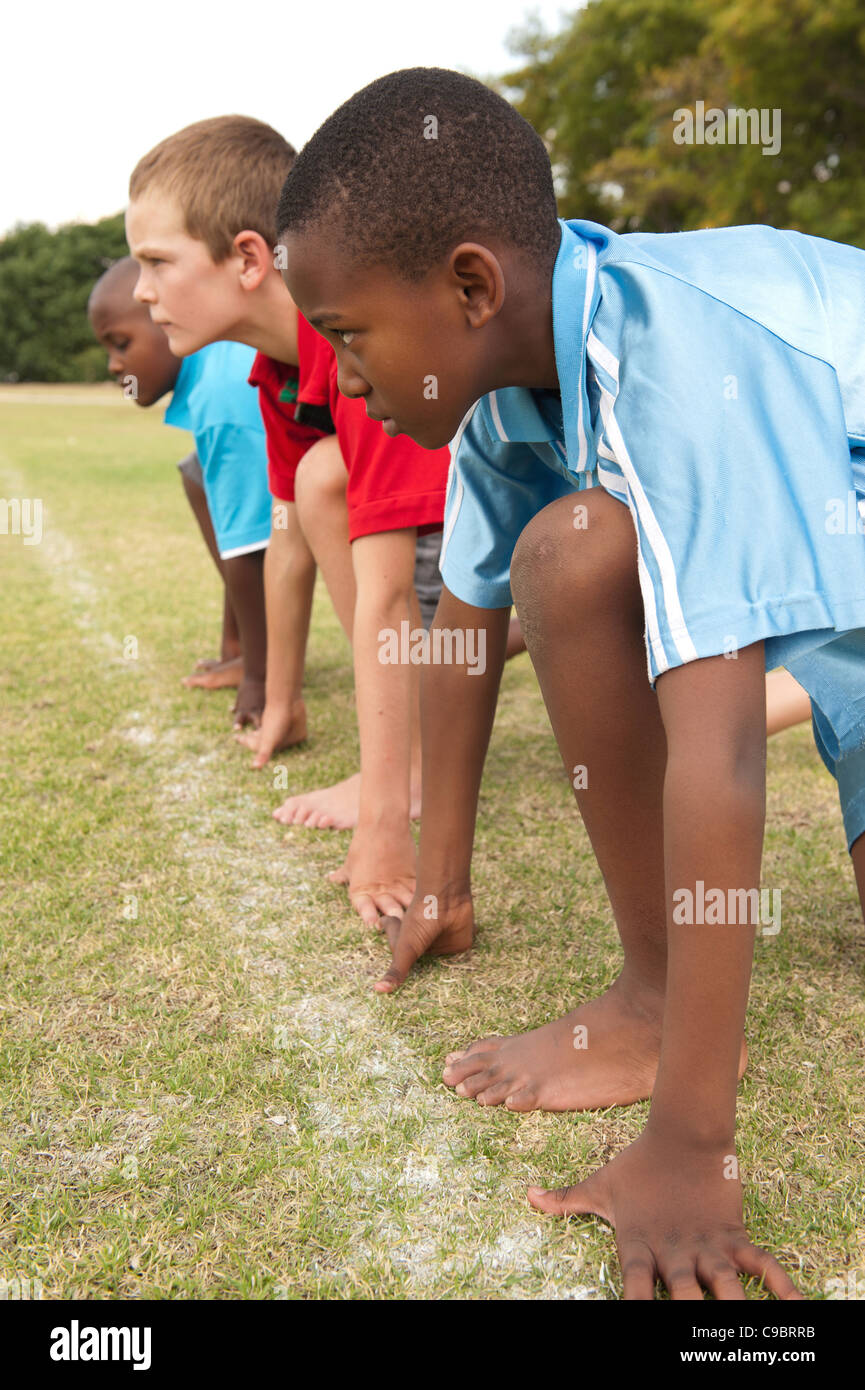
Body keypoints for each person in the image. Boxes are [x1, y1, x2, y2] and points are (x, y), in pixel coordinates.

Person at [275, 66, 865, 1299]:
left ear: (471, 285)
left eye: (347, 334)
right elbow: (467, 623)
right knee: (572, 549)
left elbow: (722, 752)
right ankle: (650, 1000)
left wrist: (691, 1146)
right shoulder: (505, 400)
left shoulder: (674, 358)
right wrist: (442, 880)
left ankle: (679, 1053)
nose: (347, 380)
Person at [88, 258, 270, 724]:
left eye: (121, 343)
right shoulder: (217, 360)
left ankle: (261, 660)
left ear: (167, 318)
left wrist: (258, 681)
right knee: (197, 474)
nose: (114, 365)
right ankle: (240, 645)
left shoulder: (221, 394)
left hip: (369, 484)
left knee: (233, 517)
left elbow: (250, 547)